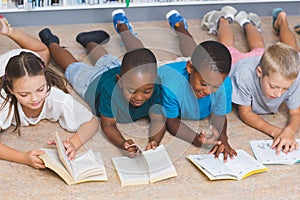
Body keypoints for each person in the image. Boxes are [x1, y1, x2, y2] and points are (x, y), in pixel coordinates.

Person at [38, 9, 166, 158]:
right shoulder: (110, 91)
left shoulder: (154, 84)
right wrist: (122, 143)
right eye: (132, 90)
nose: (139, 97)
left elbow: (159, 118)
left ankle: (89, 41)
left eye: (146, 91)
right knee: (72, 66)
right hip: (92, 82)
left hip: (115, 67)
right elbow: (108, 125)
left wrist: (154, 140)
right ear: (119, 82)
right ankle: (52, 43)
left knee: (105, 58)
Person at [0, 15, 99, 169]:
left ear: (45, 78)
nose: (34, 99)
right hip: (6, 65)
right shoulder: (4, 101)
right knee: (42, 52)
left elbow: (91, 122)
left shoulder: (53, 94)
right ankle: (7, 31)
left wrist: (74, 142)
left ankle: (8, 30)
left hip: (29, 62)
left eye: (40, 89)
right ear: (11, 90)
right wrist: (23, 158)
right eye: (24, 95)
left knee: (43, 52)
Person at [202, 6, 300, 154]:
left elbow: (295, 112)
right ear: (259, 72)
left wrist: (290, 131)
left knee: (259, 47)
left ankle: (246, 22)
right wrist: (275, 131)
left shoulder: (290, 76)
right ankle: (223, 20)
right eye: (273, 86)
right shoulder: (244, 75)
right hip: (237, 63)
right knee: (228, 47)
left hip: (262, 60)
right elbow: (246, 113)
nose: (279, 93)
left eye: (285, 89)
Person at [158, 9, 237, 162]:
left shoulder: (224, 85)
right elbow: (172, 121)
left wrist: (223, 139)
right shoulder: (170, 86)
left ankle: (179, 23)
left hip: (193, 66)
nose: (208, 91)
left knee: (193, 52)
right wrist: (195, 139)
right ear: (189, 69)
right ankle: (179, 26)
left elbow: (219, 115)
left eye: (215, 86)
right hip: (166, 69)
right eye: (203, 83)